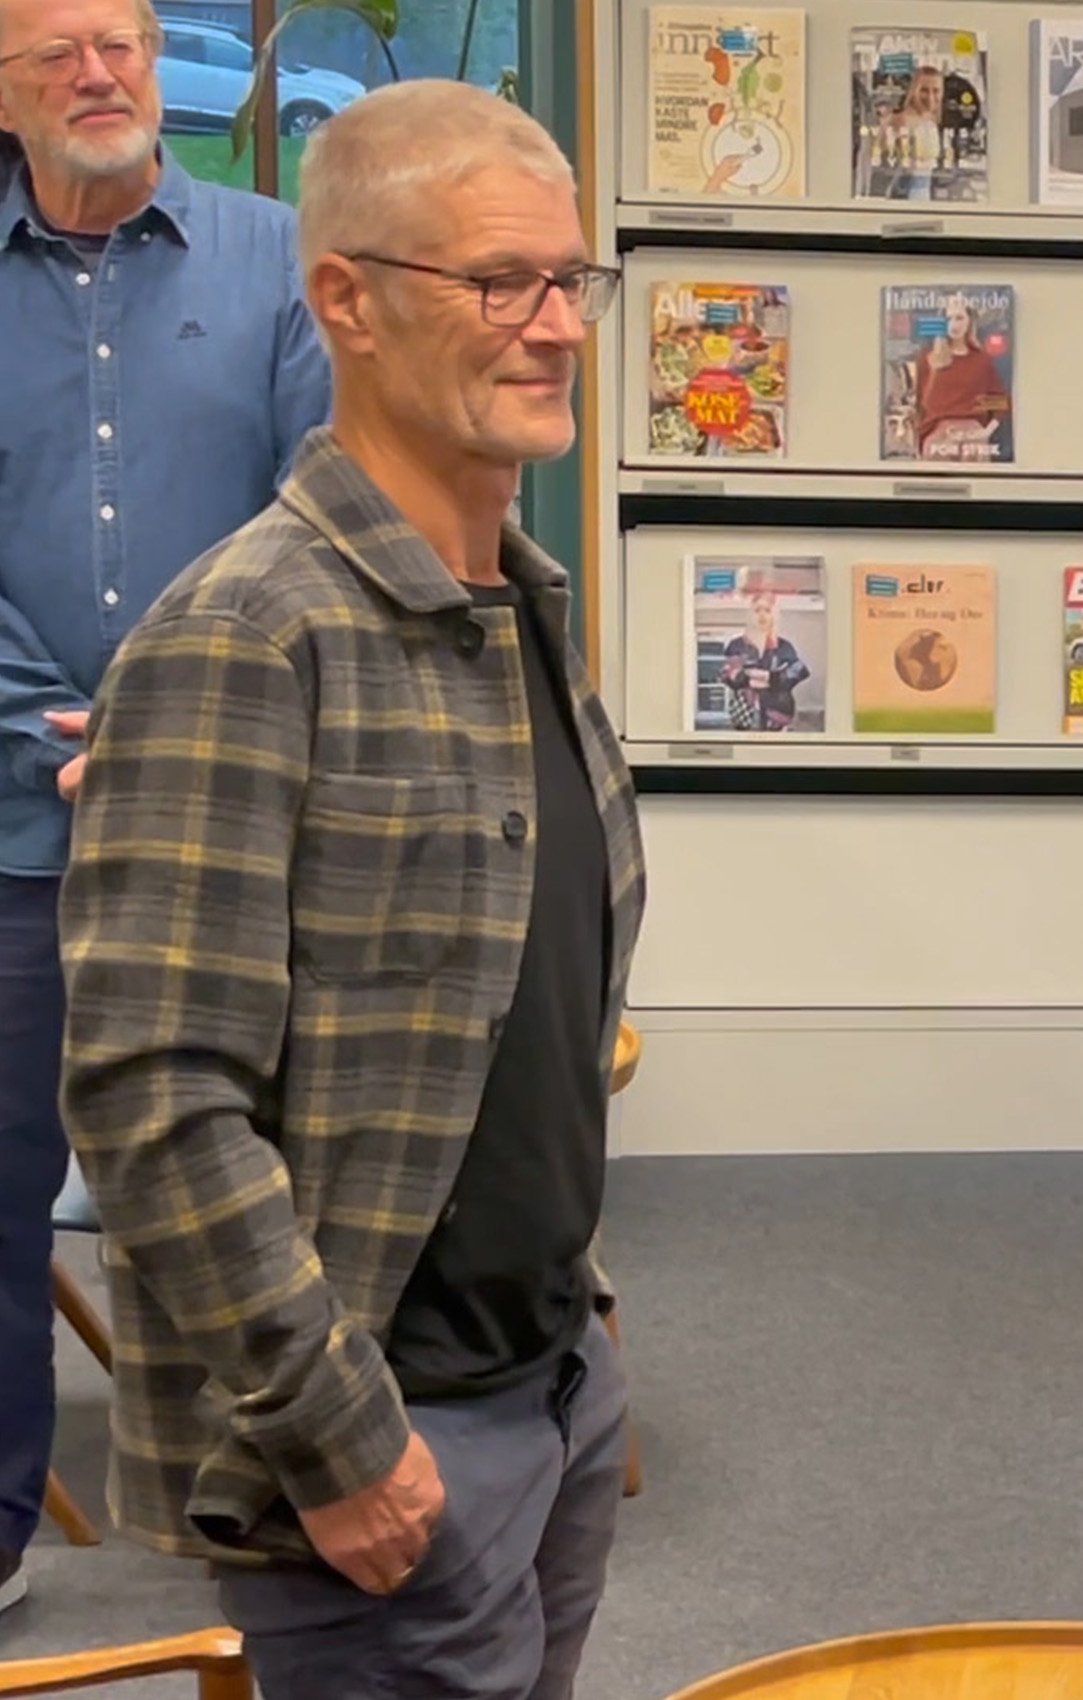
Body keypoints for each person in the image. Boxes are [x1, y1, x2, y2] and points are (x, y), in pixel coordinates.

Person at [55, 78, 644, 1700]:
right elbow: (155, 1102)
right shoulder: (245, 637)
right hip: (381, 1455)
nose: (555, 327)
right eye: (496, 283)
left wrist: (578, 1323)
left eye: (570, 280)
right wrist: (339, 1440)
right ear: (346, 302)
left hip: (546, 1393)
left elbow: (510, 1021)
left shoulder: (521, 609)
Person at [0, 0, 329, 1618]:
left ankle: (269, 1506)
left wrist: (164, 727)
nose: (101, 72)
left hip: (235, 828)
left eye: (120, 38)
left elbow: (320, 508)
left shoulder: (282, 258)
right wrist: (42, 726)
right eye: (55, 48)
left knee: (249, 1181)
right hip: (4, 826)